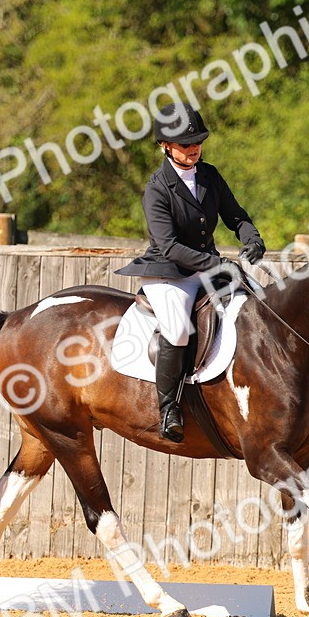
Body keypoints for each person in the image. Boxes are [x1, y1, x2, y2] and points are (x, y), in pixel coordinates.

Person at [114, 103, 265, 443]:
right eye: (185, 144)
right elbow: (168, 245)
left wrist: (251, 237)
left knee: (259, 301)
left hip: (207, 266)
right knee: (179, 329)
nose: (194, 148)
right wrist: (216, 264)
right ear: (166, 146)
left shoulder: (209, 175)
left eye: (197, 141)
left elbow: (235, 216)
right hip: (169, 272)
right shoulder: (157, 187)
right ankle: (168, 408)